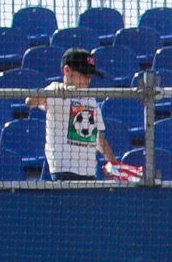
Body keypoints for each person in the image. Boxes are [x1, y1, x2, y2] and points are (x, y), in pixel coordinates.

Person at [39, 49, 120, 181]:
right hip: (63, 170)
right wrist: (51, 93)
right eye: (84, 74)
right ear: (67, 71)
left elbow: (97, 136)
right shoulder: (55, 90)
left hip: (88, 170)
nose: (88, 80)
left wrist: (113, 162)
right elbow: (30, 101)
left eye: (90, 76)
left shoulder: (90, 99)